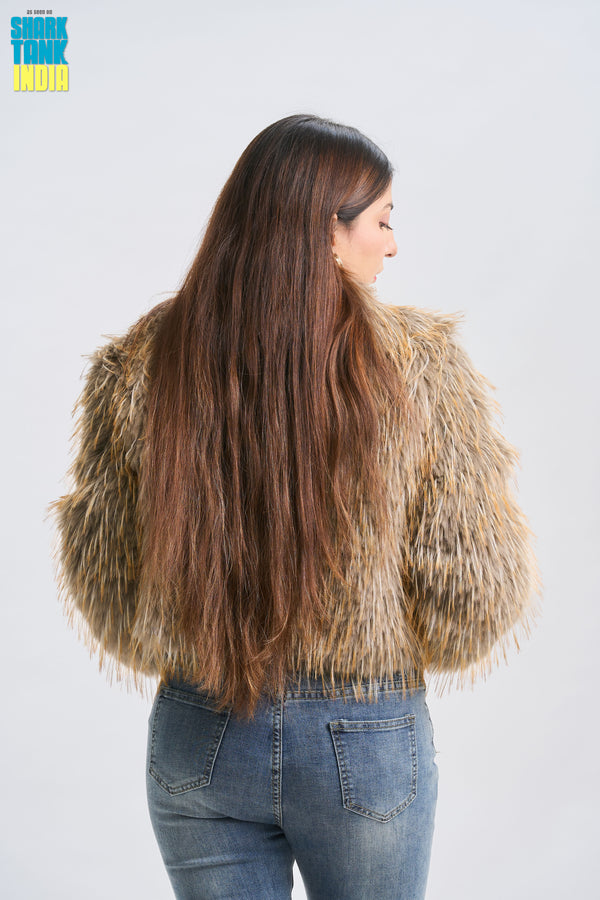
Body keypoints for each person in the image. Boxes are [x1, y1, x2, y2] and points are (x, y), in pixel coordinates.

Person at [50, 114, 539, 900]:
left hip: (200, 726)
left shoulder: (143, 366)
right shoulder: (419, 367)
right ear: (326, 232)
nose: (392, 242)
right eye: (381, 219)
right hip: (366, 735)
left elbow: (104, 576)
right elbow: (471, 594)